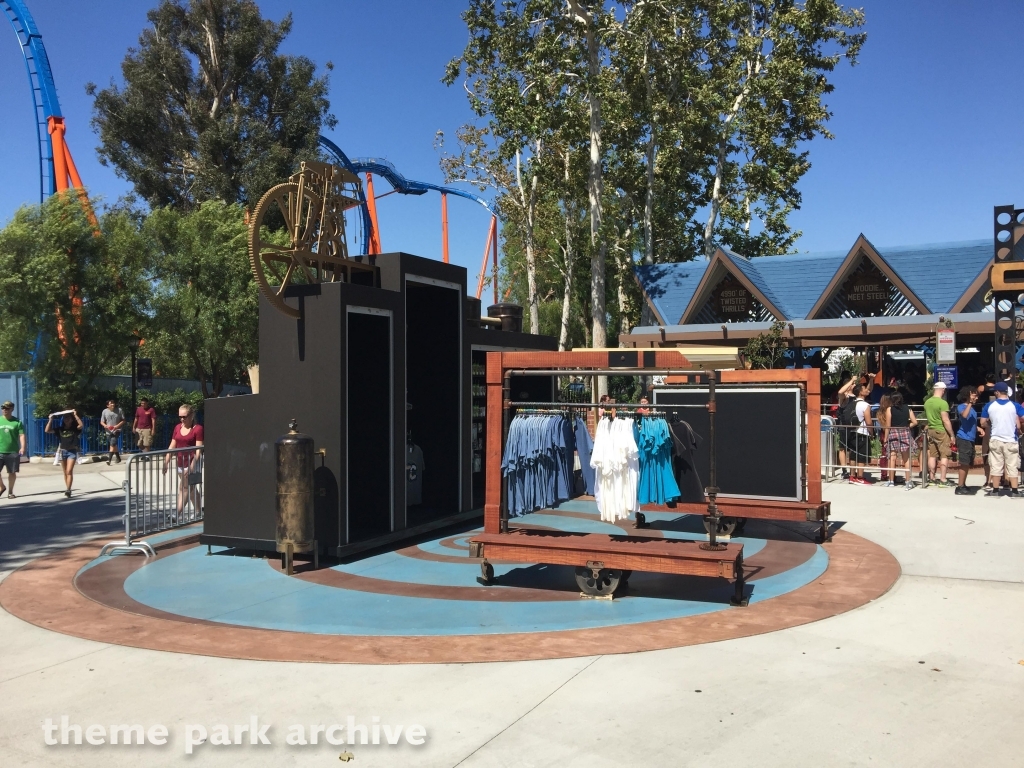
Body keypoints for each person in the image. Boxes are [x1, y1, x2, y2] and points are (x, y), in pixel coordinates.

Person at [980, 382, 1024, 497]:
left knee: (996, 465)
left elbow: (982, 422)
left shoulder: (989, 406)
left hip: (995, 438)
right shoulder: (1015, 406)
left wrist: (990, 421)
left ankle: (995, 490)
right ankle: (1014, 491)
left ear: (997, 392)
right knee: (1012, 465)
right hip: (1011, 439)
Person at [163, 404, 204, 520]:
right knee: (190, 488)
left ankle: (177, 513)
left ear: (191, 415)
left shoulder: (198, 429)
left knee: (184, 488)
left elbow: (198, 450)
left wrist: (192, 465)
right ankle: (198, 511)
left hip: (192, 463)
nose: (182, 419)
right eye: (180, 416)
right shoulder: (177, 428)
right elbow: (172, 445)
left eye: (184, 416)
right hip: (181, 462)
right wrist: (166, 461)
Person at [923, 381, 955, 487]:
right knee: (944, 455)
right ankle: (943, 479)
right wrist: (951, 434)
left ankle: (932, 478)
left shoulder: (927, 402)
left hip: (931, 429)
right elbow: (945, 420)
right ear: (943, 390)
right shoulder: (942, 403)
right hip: (941, 430)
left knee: (932, 455)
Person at [883, 391, 917, 490]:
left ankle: (891, 480)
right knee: (906, 458)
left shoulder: (890, 409)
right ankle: (908, 481)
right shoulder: (908, 408)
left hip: (893, 432)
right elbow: (915, 422)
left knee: (892, 457)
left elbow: (888, 426)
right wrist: (907, 426)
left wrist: (885, 438)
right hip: (905, 432)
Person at [46, 409, 83, 498]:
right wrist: (50, 419)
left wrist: (75, 415)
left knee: (69, 471)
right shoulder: (60, 429)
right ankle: (68, 488)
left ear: (71, 419)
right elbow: (47, 430)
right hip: (63, 452)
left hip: (72, 452)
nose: (67, 419)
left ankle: (68, 490)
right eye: (65, 418)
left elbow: (81, 425)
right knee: (65, 472)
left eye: (68, 418)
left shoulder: (74, 429)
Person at [953, 386, 981, 495]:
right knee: (963, 462)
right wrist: (970, 403)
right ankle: (959, 486)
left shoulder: (972, 409)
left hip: (971, 438)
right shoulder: (961, 406)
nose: (976, 398)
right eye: (974, 395)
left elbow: (971, 422)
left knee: (967, 463)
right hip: (963, 437)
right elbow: (964, 416)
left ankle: (963, 484)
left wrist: (978, 429)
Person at [0, 400, 27, 499]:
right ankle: (2, 486)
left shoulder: (17, 422)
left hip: (12, 451)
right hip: (0, 450)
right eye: (3, 408)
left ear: (12, 409)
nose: (4, 410)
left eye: (7, 408)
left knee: (12, 472)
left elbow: (22, 435)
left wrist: (23, 447)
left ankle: (10, 492)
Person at [849, 384, 873, 485]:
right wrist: (872, 433)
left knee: (853, 454)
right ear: (860, 392)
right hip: (862, 432)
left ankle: (852, 476)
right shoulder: (865, 405)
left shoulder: (851, 403)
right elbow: (869, 422)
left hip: (852, 431)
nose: (867, 390)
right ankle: (860, 477)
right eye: (864, 389)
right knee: (861, 455)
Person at [100, 399, 125, 464]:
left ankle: (109, 460)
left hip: (116, 430)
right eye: (111, 403)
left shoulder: (119, 410)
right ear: (107, 405)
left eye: (113, 403)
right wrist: (105, 425)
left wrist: (117, 426)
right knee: (113, 445)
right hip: (108, 431)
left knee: (112, 443)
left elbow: (123, 420)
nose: (113, 404)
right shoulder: (104, 411)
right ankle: (118, 458)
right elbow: (102, 421)